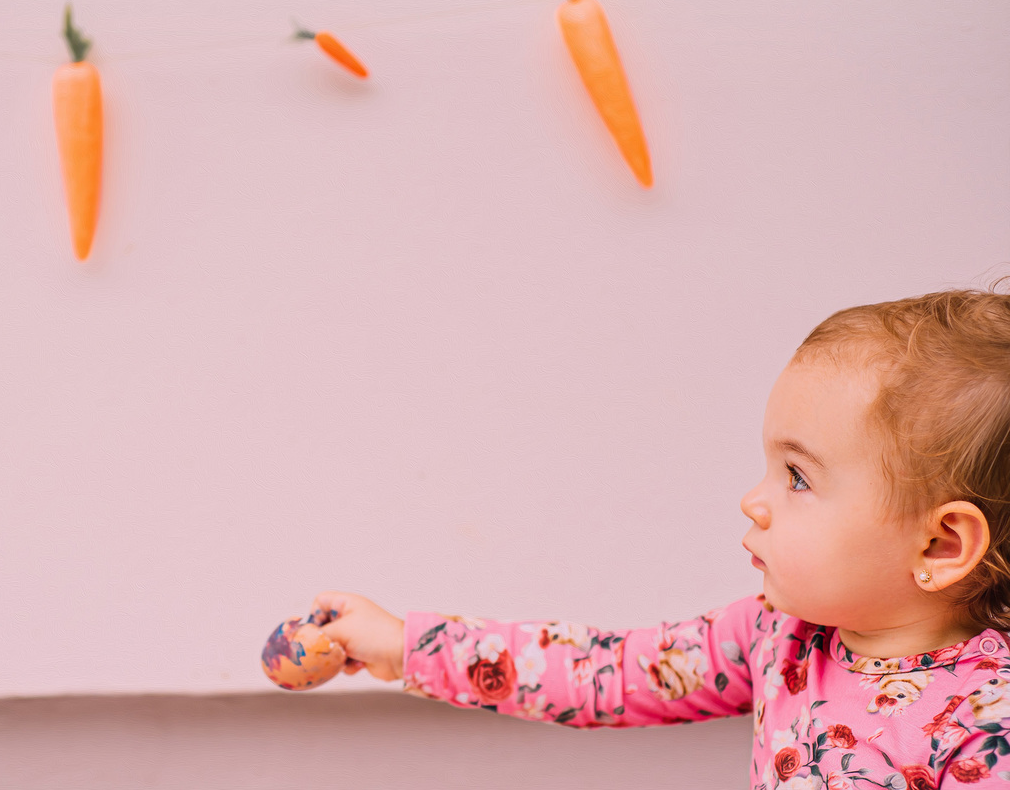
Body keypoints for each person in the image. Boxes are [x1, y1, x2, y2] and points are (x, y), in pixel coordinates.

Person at [310, 284, 1010, 789]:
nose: (753, 500)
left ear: (941, 545)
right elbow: (604, 672)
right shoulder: (782, 634)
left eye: (797, 477)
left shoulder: (988, 724)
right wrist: (407, 643)